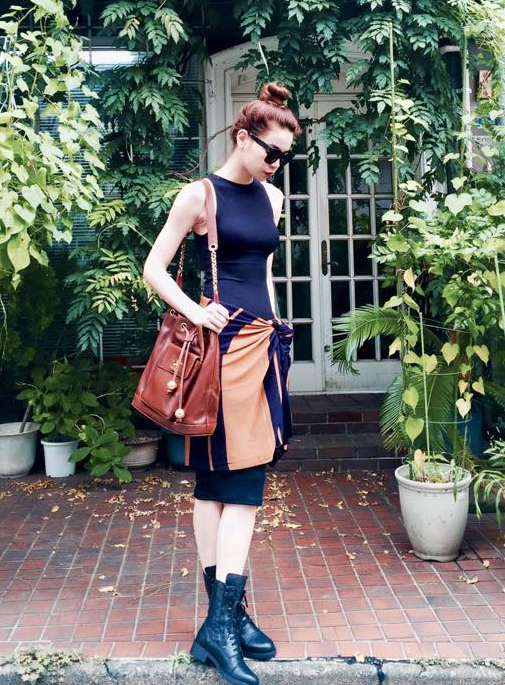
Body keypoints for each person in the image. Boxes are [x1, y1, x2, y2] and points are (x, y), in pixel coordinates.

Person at [142, 82, 301, 685]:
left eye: (284, 156)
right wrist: (194, 309)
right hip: (220, 350)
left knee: (217, 487)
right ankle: (222, 622)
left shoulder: (273, 198)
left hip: (262, 347)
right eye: (270, 152)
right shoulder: (200, 195)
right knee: (240, 485)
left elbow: (263, 272)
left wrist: (279, 327)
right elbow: (155, 267)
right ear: (242, 137)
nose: (276, 163)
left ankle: (223, 621)